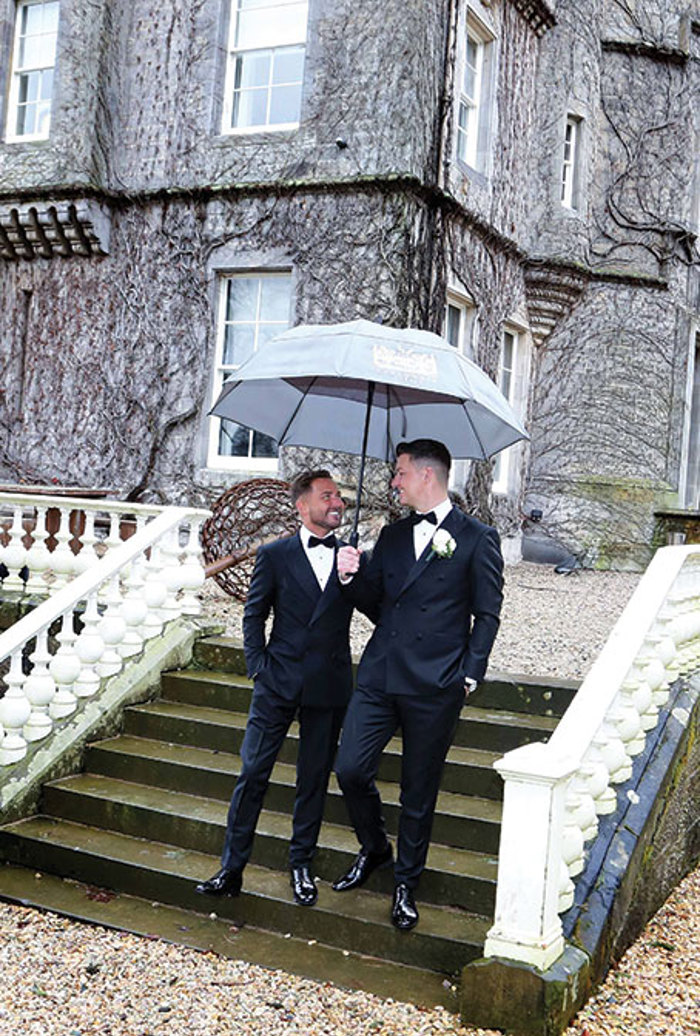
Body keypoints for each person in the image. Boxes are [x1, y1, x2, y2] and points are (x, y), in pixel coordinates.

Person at [332, 439, 503, 930]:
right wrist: (351, 577)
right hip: (382, 674)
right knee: (349, 768)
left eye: (401, 472)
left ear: (427, 475)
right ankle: (375, 847)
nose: (394, 481)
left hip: (437, 683)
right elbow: (378, 604)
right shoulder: (391, 535)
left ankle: (406, 882)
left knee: (418, 791)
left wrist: (469, 673)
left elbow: (487, 613)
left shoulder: (476, 538)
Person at [196, 469, 368, 907]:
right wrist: (259, 668)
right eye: (327, 496)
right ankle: (231, 869)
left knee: (312, 780)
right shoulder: (274, 555)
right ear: (302, 504)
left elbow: (378, 609)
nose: (337, 504)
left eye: (340, 498)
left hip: (329, 684)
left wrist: (356, 579)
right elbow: (254, 616)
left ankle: (301, 866)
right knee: (253, 773)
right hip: (278, 681)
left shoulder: (351, 557)